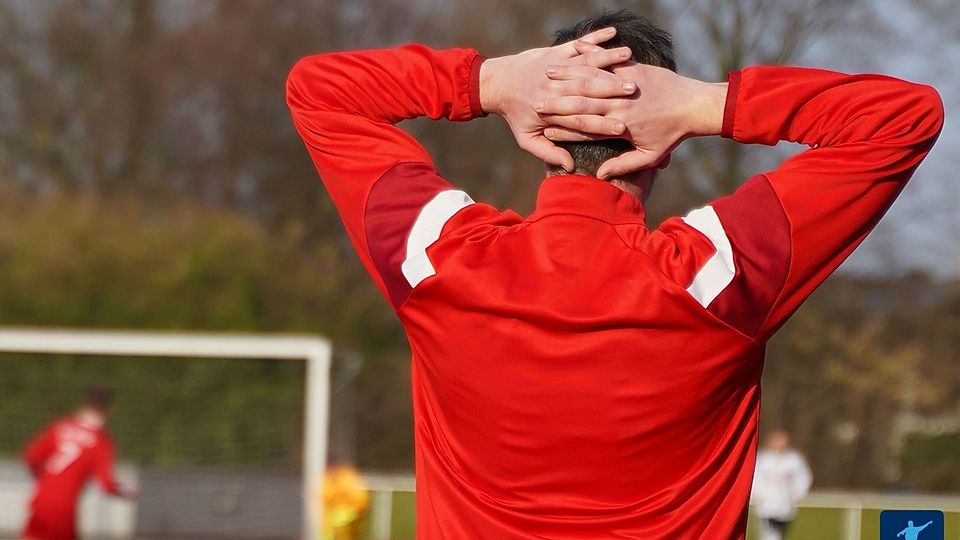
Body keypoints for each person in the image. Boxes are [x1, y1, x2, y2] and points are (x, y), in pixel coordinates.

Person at [286, 9, 943, 539]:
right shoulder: (712, 281)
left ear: (541, 127)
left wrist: (488, 82)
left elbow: (320, 91)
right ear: (661, 146)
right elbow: (903, 118)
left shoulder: (443, 263)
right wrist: (707, 105)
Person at [22, 387, 137, 540]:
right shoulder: (100, 442)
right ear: (106, 411)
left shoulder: (60, 427)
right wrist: (126, 492)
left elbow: (31, 457)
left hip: (40, 501)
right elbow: (107, 485)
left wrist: (42, 479)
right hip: (63, 509)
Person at [751, 429, 813, 540]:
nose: (780, 444)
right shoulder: (762, 459)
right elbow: (755, 477)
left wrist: (798, 495)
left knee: (781, 534)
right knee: (769, 535)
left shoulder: (794, 459)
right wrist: (757, 494)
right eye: (777, 441)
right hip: (766, 505)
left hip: (786, 505)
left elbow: (803, 478)